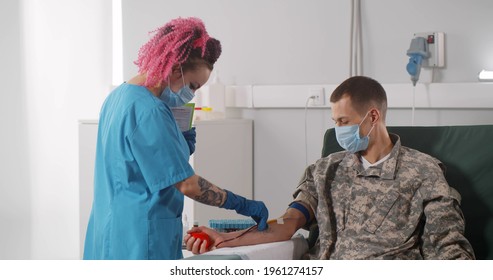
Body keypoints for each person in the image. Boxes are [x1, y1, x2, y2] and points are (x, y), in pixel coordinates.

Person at [185, 76, 476, 260]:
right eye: (334, 121)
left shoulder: (423, 171)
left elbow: (447, 244)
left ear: (372, 116)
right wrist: (227, 239)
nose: (337, 130)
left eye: (343, 121)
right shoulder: (325, 170)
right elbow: (288, 224)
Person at [83, 17, 268, 260]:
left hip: (108, 233)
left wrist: (180, 144)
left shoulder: (117, 97)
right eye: (192, 85)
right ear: (173, 66)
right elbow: (187, 184)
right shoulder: (150, 111)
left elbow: (140, 165)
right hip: (141, 242)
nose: (191, 95)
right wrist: (242, 204)